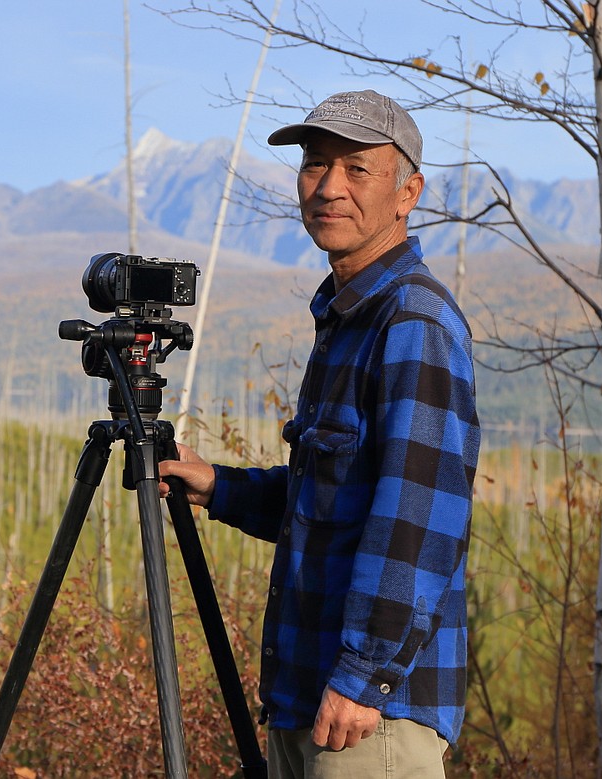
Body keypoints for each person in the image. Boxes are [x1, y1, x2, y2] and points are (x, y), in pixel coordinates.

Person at [159, 90, 480, 779]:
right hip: (312, 697)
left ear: (407, 192)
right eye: (314, 164)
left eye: (357, 169)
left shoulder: (411, 321)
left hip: (369, 718)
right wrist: (219, 486)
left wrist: (365, 673)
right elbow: (332, 501)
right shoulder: (349, 314)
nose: (328, 186)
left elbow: (419, 519)